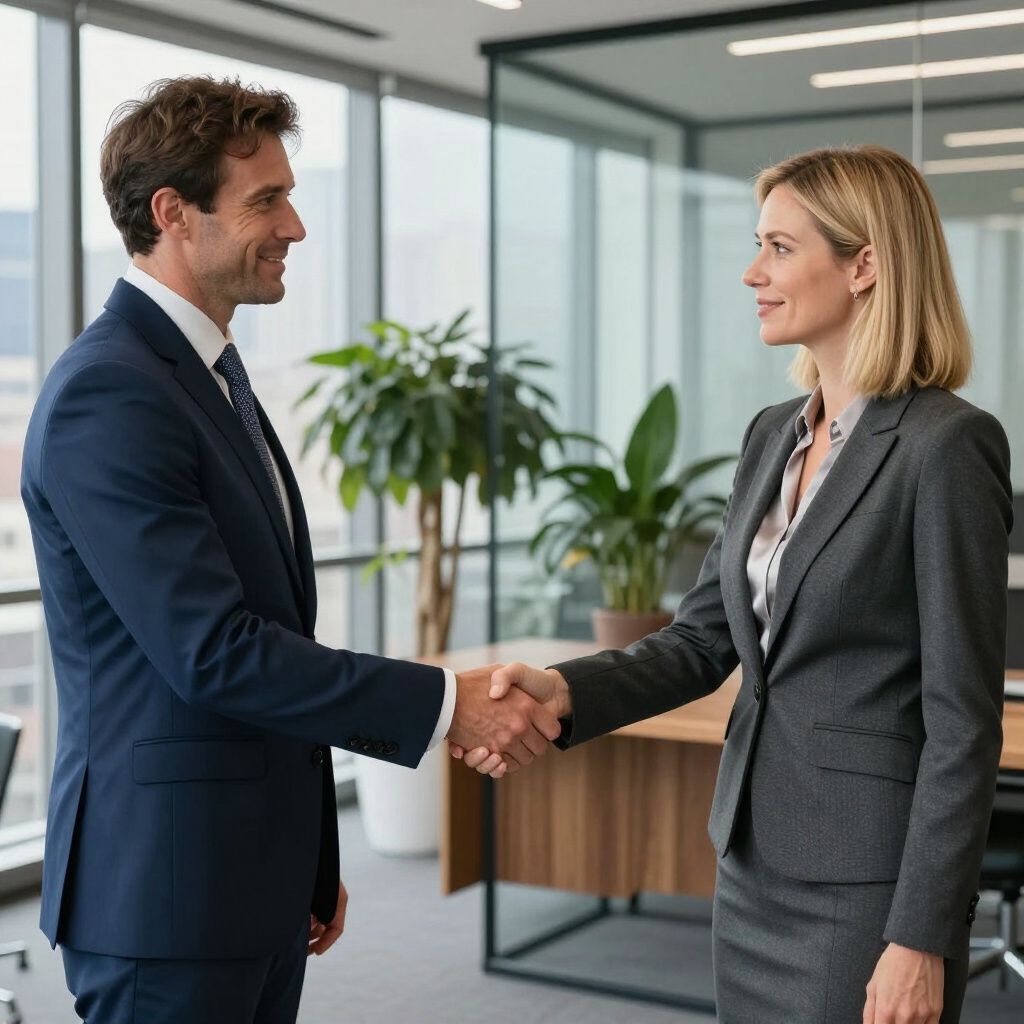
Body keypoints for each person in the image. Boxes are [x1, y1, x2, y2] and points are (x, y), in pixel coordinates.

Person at [21, 75, 559, 1024]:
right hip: (163, 900)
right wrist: (449, 704)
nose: (297, 226)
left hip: (243, 882)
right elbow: (213, 651)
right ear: (172, 213)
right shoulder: (111, 393)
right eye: (266, 199)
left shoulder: (208, 375)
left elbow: (266, 628)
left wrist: (304, 862)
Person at [455, 145, 1012, 1024]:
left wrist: (922, 937)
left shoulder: (945, 446)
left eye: (781, 248)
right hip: (750, 861)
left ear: (865, 264)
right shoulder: (771, 435)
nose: (754, 271)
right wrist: (561, 690)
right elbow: (702, 639)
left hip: (864, 887)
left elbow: (961, 722)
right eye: (759, 244)